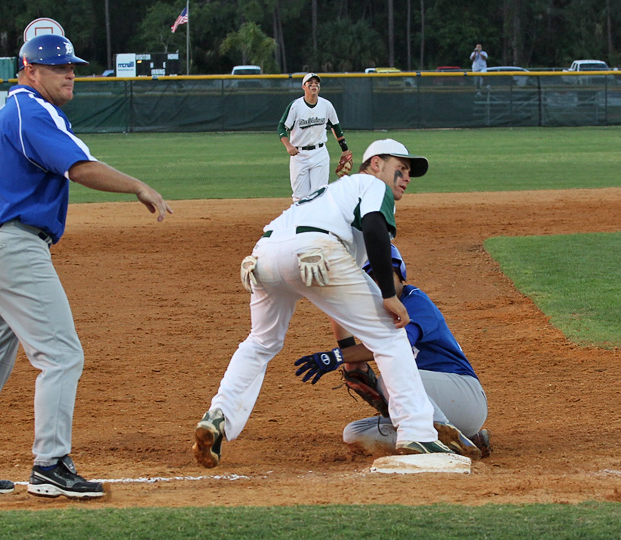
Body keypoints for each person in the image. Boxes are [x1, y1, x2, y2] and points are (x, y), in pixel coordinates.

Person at [0, 34, 173, 498]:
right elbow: (80, 167)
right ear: (31, 70)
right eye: (59, 66)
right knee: (62, 355)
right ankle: (50, 464)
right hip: (13, 248)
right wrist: (137, 186)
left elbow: (75, 161)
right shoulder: (31, 110)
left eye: (72, 66)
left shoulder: (19, 112)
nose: (70, 73)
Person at [193, 138, 456, 469]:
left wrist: (346, 347)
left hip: (262, 256)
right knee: (390, 335)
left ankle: (219, 416)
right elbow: (375, 227)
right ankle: (418, 433)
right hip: (314, 248)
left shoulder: (330, 195)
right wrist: (389, 296)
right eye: (399, 169)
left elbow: (346, 292)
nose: (405, 178)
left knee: (261, 342)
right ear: (376, 164)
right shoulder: (371, 185)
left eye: (408, 174)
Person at [295, 244, 491, 459]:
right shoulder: (377, 313)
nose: (382, 284)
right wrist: (333, 302)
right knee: (355, 433)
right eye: (374, 279)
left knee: (391, 376)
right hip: (429, 398)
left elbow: (394, 347)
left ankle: (445, 434)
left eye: (387, 275)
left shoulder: (415, 302)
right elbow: (355, 360)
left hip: (464, 396)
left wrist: (334, 357)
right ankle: (463, 441)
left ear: (400, 274)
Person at [277, 73, 352, 202]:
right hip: (299, 155)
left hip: (319, 153)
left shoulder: (326, 105)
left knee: (319, 195)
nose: (314, 85)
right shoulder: (295, 106)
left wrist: (345, 149)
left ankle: (317, 222)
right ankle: (301, 222)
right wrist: (288, 146)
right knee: (300, 196)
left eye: (316, 83)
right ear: (303, 87)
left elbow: (336, 127)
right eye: (310, 83)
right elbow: (281, 128)